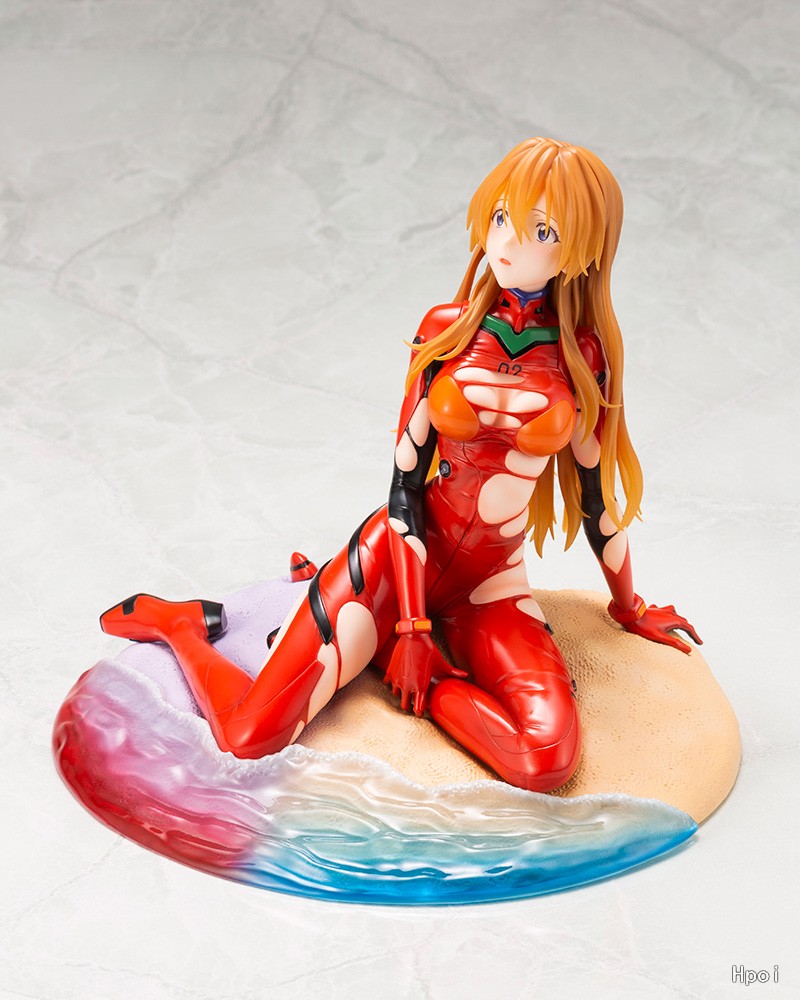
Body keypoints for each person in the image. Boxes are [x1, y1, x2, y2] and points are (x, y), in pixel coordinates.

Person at [100, 137, 700, 793]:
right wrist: (412, 625)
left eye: (542, 230)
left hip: (490, 587)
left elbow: (595, 502)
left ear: (582, 249)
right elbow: (404, 488)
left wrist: (629, 607)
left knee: (546, 760)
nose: (508, 243)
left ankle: (395, 659)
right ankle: (182, 627)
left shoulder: (584, 358)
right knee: (249, 737)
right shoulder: (447, 330)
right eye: (502, 217)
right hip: (394, 560)